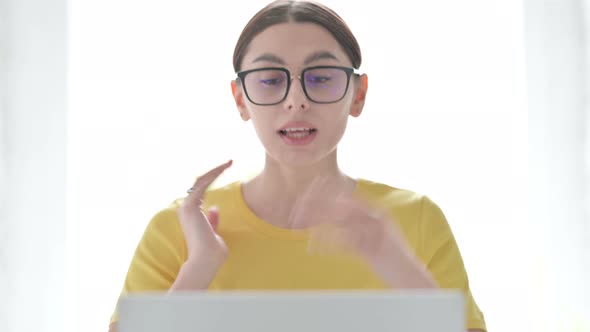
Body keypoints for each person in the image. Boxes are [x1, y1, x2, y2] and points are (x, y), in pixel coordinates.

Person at [108, 1, 487, 331]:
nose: (295, 101)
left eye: (321, 78)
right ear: (240, 100)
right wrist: (198, 270)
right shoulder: (180, 228)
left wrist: (398, 266)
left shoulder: (416, 220)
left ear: (359, 95)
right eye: (270, 80)